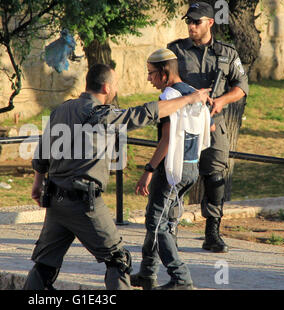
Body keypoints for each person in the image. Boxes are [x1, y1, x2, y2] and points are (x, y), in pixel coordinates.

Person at [23, 63, 212, 290]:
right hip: (84, 203)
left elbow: (42, 152)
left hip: (55, 202)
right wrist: (190, 99)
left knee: (45, 263)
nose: (115, 91)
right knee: (118, 260)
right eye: (115, 86)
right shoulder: (101, 115)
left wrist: (37, 183)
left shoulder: (61, 110)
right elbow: (146, 113)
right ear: (105, 87)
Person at [167, 2, 249, 253]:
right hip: (184, 124)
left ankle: (212, 232)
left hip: (215, 126)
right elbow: (166, 79)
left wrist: (221, 101)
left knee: (215, 178)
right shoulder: (175, 50)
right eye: (188, 22)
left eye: (196, 22)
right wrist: (191, 94)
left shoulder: (227, 53)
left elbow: (242, 86)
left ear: (210, 22)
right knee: (177, 176)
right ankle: (170, 230)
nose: (191, 26)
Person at [130, 49, 211, 290]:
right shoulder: (193, 93)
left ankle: (181, 278)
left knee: (157, 224)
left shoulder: (169, 97)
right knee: (160, 220)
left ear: (164, 73)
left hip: (171, 169)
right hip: (191, 168)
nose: (148, 79)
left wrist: (149, 169)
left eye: (151, 73)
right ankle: (147, 273)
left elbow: (166, 140)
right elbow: (211, 129)